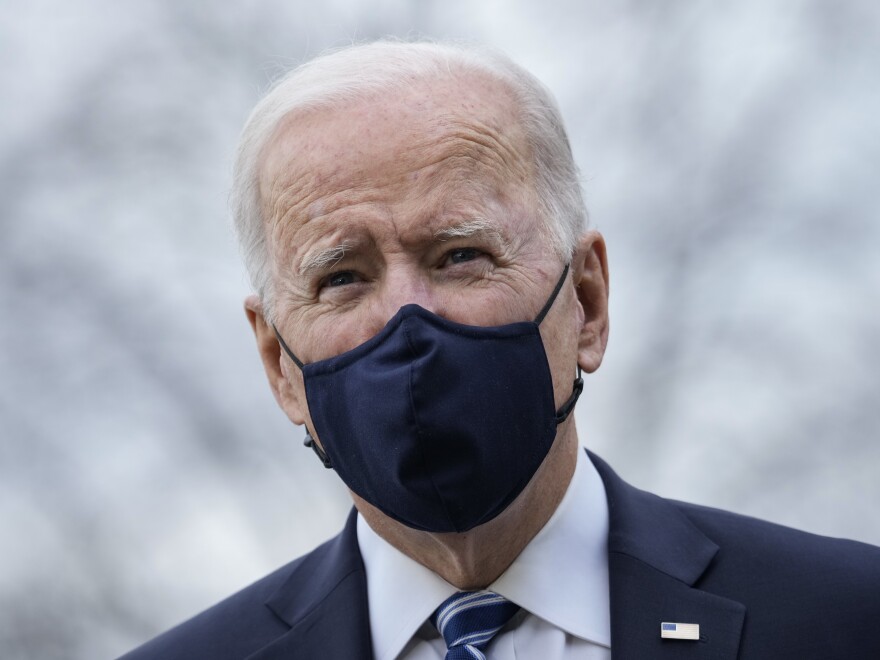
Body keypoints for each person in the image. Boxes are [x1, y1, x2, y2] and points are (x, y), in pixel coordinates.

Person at [120, 40, 880, 660]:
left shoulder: (848, 620)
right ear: (279, 366)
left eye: (461, 255)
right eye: (343, 277)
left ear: (586, 302)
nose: (408, 319)